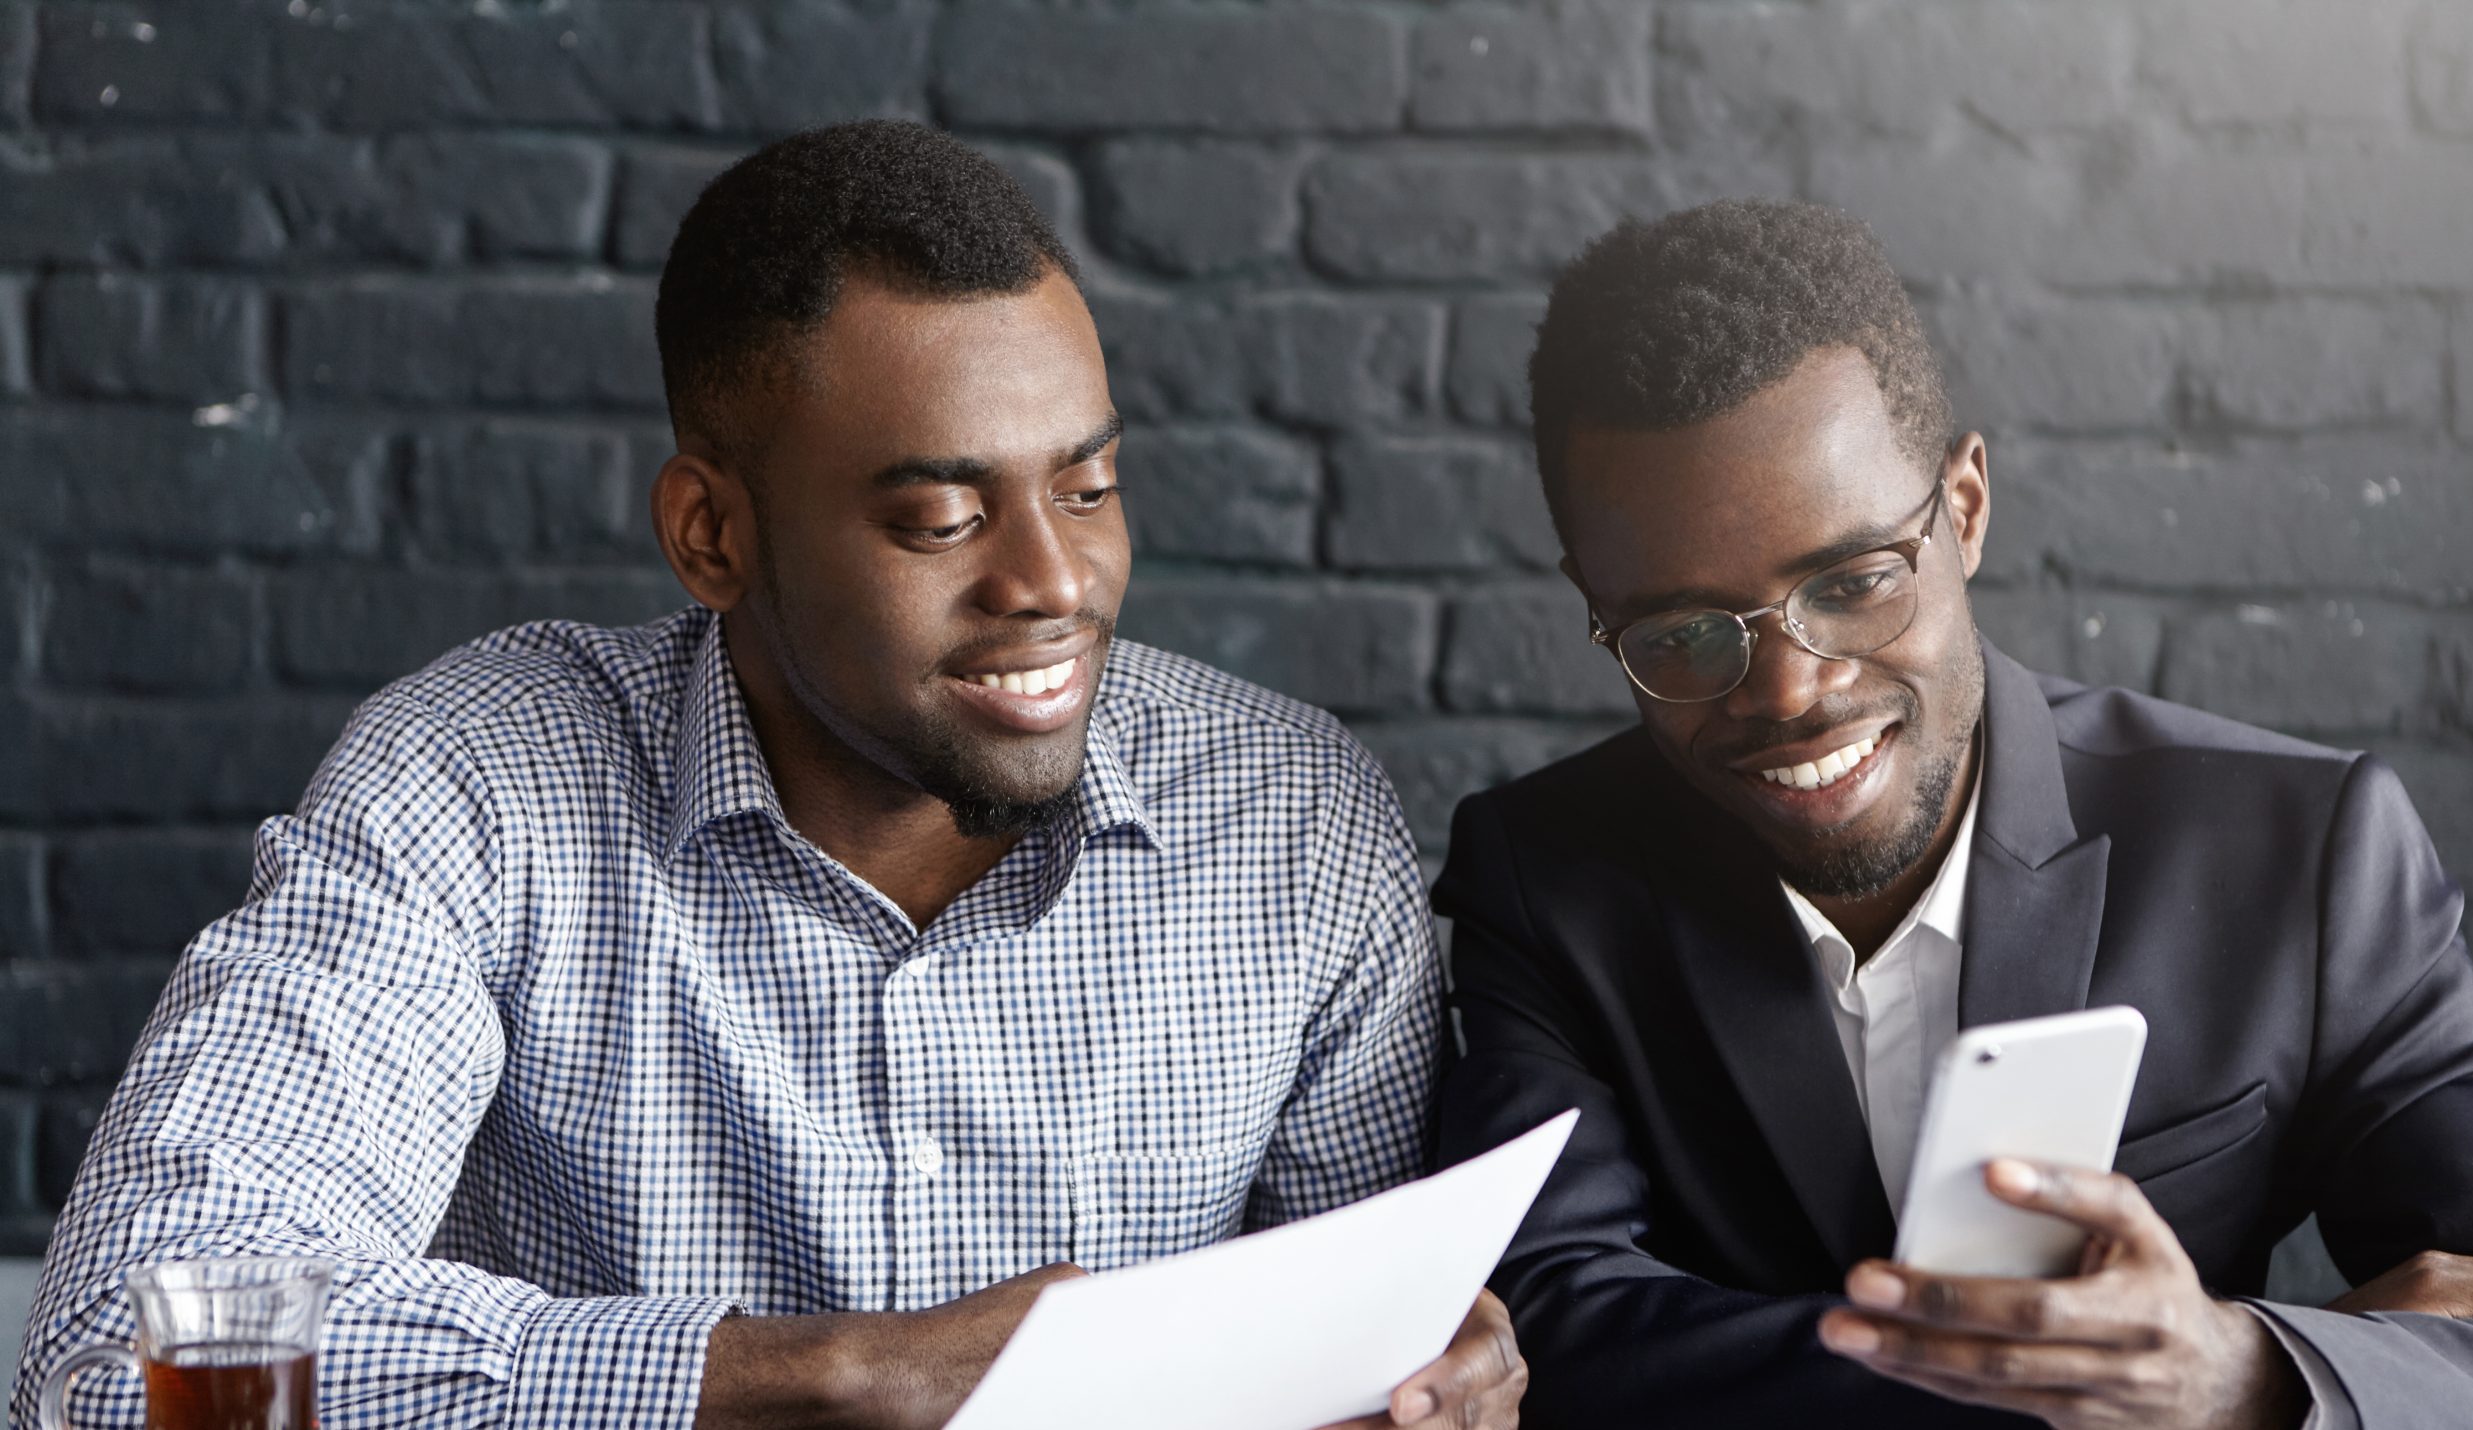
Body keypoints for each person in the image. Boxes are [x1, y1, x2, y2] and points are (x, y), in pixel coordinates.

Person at [14, 121, 1525, 1430]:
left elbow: (1369, 1333)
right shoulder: (472, 788)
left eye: (1090, 486)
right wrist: (845, 1381)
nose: (1055, 580)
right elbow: (115, 1357)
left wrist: (1434, 1378)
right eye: (941, 518)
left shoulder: (1291, 819)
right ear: (712, 536)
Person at [1431, 199, 2473, 1429]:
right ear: (1597, 606)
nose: (1792, 691)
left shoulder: (2303, 849)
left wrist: (2242, 1372)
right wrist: (2140, 1382)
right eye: (1681, 633)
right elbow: (1551, 1327)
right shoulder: (1542, 880)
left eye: (1855, 581)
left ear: (1963, 506)